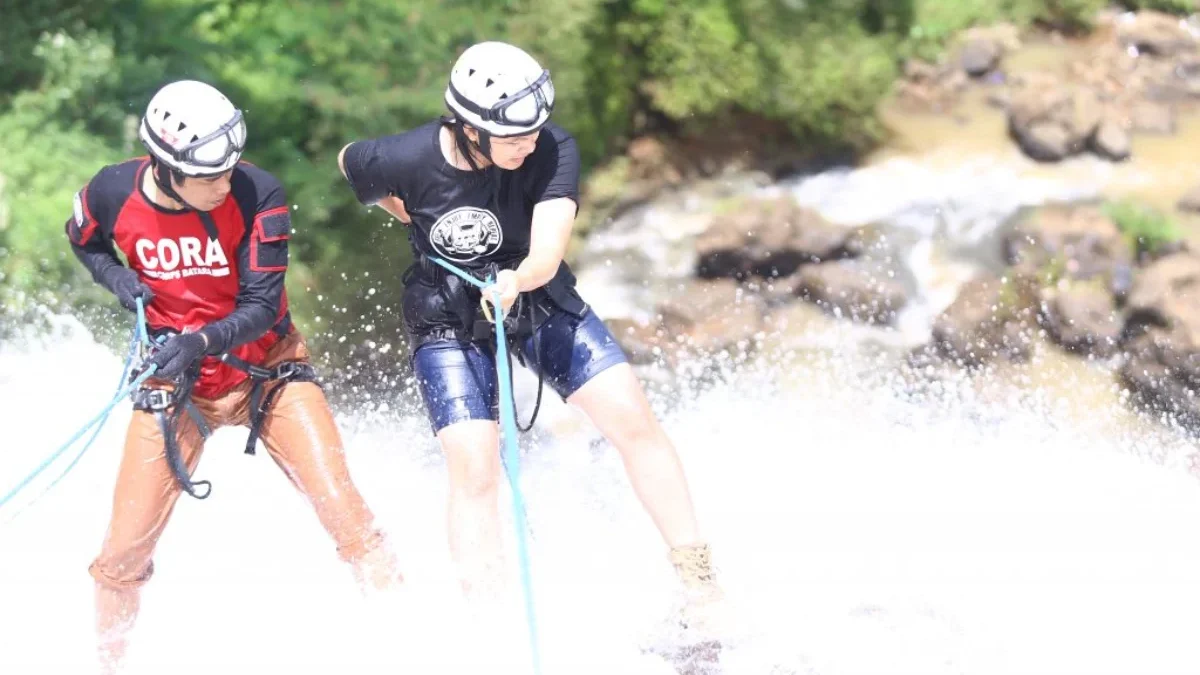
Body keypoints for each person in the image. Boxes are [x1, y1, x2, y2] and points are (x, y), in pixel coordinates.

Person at [336, 41, 722, 625]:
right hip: (447, 317)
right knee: (474, 466)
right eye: (512, 137)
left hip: (536, 295)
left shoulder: (552, 149)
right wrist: (415, 215)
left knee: (633, 421)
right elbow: (349, 160)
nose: (527, 144)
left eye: (532, 132)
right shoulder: (405, 157)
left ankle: (701, 584)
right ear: (468, 127)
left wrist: (516, 280)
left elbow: (547, 249)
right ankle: (491, 623)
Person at [65, 80, 403, 671]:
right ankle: (107, 665)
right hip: (175, 382)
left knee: (347, 516)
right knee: (120, 557)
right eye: (210, 177)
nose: (226, 182)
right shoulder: (110, 191)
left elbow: (259, 306)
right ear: (166, 168)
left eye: (228, 170)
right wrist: (118, 282)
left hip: (266, 370)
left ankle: (417, 643)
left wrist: (198, 340)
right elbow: (85, 243)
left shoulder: (256, 192)